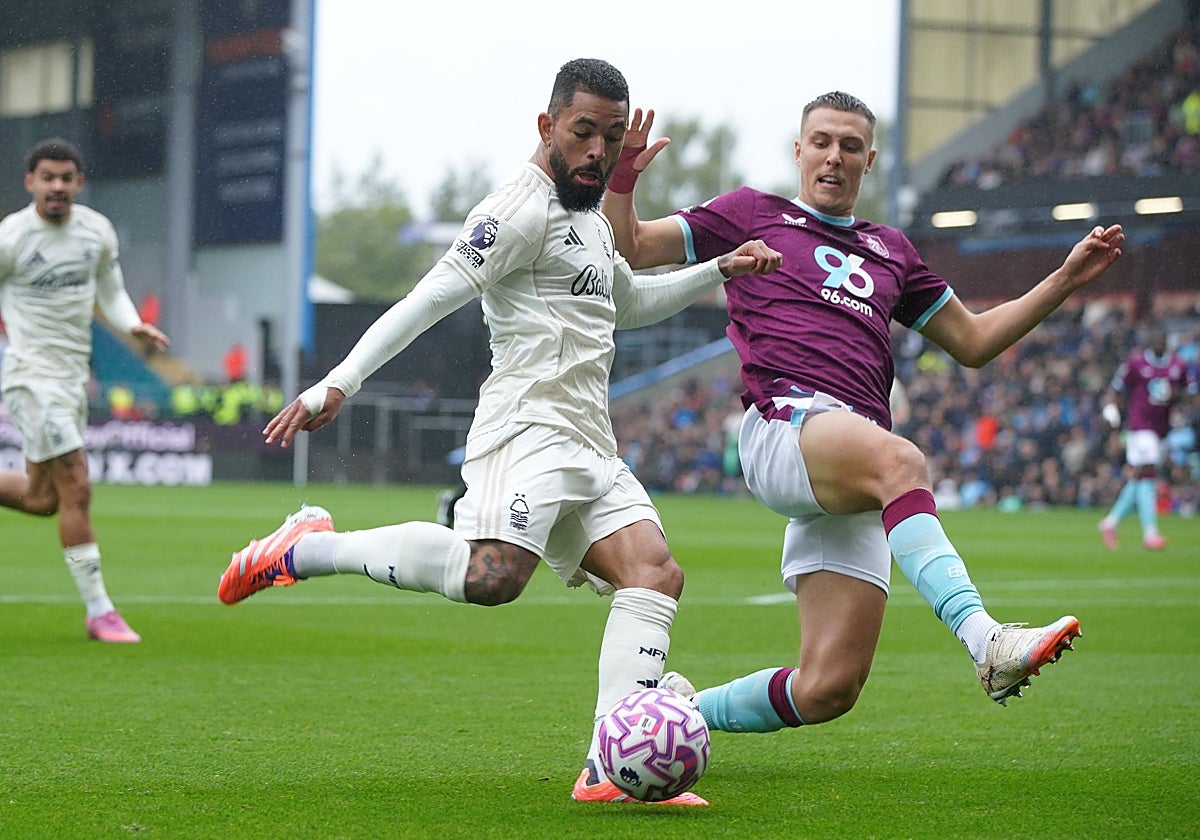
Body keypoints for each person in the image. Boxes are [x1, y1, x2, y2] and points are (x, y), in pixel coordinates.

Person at [217, 58, 781, 805]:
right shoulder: (517, 210)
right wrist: (339, 381)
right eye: (583, 132)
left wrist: (720, 271)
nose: (597, 152)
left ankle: (606, 767)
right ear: (547, 125)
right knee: (492, 580)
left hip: (589, 438)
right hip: (527, 429)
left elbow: (627, 302)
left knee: (654, 574)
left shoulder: (587, 213)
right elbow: (430, 297)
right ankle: (304, 548)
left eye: (611, 138)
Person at [601, 91, 1124, 736]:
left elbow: (975, 341)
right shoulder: (750, 213)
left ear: (868, 160)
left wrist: (1064, 280)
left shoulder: (893, 251)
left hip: (848, 454)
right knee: (901, 461)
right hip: (784, 428)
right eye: (821, 142)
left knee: (827, 688)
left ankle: (673, 713)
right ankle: (987, 642)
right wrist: (622, 175)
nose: (834, 157)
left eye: (850, 147)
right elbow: (629, 246)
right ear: (799, 150)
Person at [0, 138, 170, 643]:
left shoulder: (96, 232)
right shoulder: (11, 238)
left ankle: (99, 611)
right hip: (31, 376)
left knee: (41, 499)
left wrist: (133, 325)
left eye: (66, 178)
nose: (57, 186)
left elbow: (111, 291)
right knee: (79, 485)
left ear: (79, 183)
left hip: (73, 378)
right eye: (47, 177)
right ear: (30, 183)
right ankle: (100, 612)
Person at [1097, 325, 1195, 550]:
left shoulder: (1177, 366)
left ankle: (1110, 522)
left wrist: (1177, 396)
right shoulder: (1136, 363)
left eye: (1163, 339)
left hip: (1162, 428)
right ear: (1150, 342)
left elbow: (1189, 395)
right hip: (1139, 426)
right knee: (1148, 473)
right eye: (1156, 339)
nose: (1160, 343)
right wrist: (1112, 412)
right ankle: (1151, 534)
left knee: (1142, 477)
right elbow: (1117, 388)